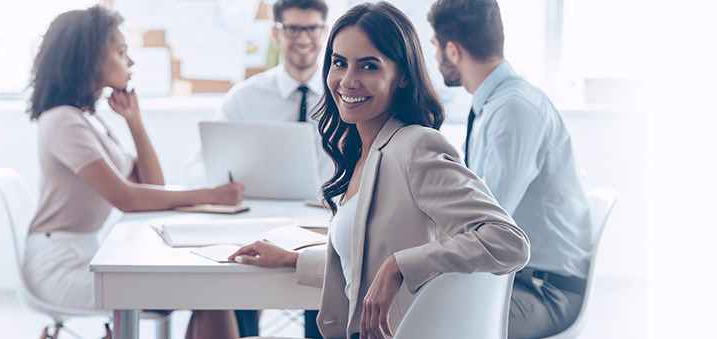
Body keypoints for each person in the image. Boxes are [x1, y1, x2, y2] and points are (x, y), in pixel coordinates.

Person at [228, 3, 531, 338]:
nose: (348, 80)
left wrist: (400, 265)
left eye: (369, 66)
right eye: (339, 63)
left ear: (402, 76)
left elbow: (509, 241)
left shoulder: (416, 147)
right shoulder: (363, 152)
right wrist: (293, 259)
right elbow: (363, 263)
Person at [24, 5, 244, 339]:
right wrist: (212, 195)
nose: (131, 62)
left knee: (211, 288)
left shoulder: (88, 119)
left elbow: (152, 185)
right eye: (122, 52)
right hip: (60, 268)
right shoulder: (64, 120)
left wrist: (134, 122)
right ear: (91, 59)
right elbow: (127, 198)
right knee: (210, 290)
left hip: (86, 254)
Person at [427, 1, 594, 338]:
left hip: (545, 292)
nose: (434, 58)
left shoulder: (514, 110)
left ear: (452, 50)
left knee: (425, 319)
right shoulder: (497, 104)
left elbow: (488, 226)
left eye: (434, 46)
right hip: (521, 279)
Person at [185, 0, 333, 187]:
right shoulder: (244, 99)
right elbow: (198, 167)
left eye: (313, 29)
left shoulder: (344, 97)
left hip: (329, 211)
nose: (303, 39)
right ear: (275, 34)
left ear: (325, 32)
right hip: (262, 209)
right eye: (293, 29)